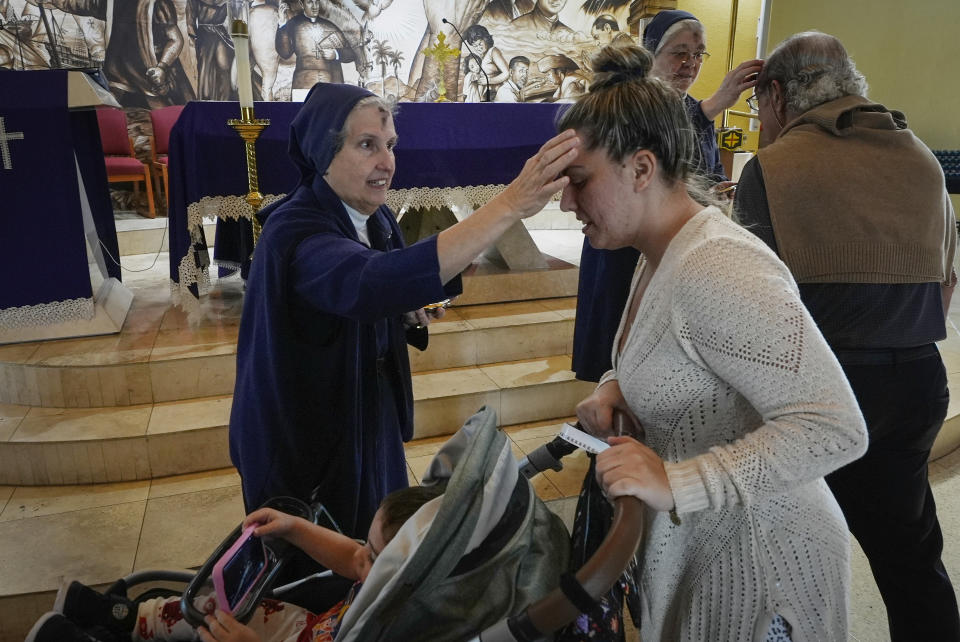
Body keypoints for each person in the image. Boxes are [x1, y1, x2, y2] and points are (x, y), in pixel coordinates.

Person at [565, 44, 867, 641]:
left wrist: (678, 483)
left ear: (642, 169)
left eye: (579, 181)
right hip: (708, 555)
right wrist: (615, 385)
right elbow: (674, 351)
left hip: (763, 570)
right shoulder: (658, 255)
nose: (567, 201)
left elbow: (835, 425)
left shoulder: (715, 267)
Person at [229, 82, 578, 548]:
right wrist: (509, 203)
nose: (387, 162)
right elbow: (367, 283)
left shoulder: (374, 218)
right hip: (308, 440)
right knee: (320, 570)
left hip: (366, 420)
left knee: (373, 542)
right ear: (323, 151)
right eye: (367, 145)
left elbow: (377, 288)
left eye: (390, 145)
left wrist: (403, 311)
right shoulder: (295, 230)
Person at [734, 31, 960, 642]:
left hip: (819, 390)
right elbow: (946, 284)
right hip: (917, 382)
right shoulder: (919, 157)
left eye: (758, 106)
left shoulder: (772, 168)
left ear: (777, 94)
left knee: (787, 557)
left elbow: (749, 302)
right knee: (911, 556)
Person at [571, 8, 763, 383]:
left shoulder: (694, 110)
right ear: (651, 54)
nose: (690, 64)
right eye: (679, 52)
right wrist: (714, 106)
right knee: (621, 337)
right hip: (625, 247)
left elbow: (706, 174)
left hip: (679, 252)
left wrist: (720, 191)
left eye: (697, 54)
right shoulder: (625, 108)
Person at [27, 485, 446, 642]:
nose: (361, 555)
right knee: (224, 608)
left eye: (374, 556)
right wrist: (295, 528)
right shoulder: (383, 575)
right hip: (311, 631)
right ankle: (128, 617)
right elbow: (351, 555)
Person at [275, 0, 357, 88]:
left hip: (329, 82)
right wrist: (282, 24)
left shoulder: (330, 26)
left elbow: (351, 54)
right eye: (310, 2)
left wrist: (336, 54)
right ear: (302, 4)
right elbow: (285, 53)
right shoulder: (293, 24)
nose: (315, 6)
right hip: (303, 81)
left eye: (316, 2)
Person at [462, 24, 509, 99]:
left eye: (480, 44)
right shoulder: (480, 56)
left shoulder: (493, 51)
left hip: (497, 94)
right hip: (484, 95)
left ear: (486, 39)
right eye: (475, 46)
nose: (478, 48)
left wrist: (489, 81)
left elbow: (506, 73)